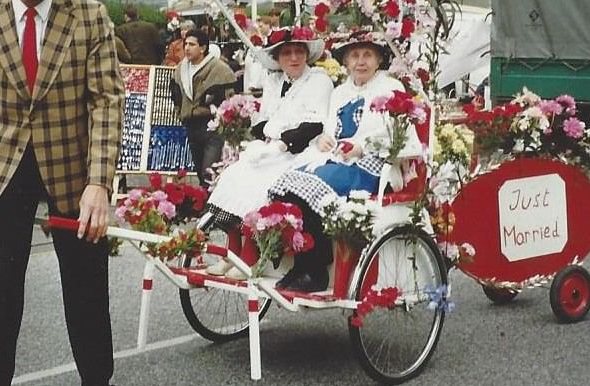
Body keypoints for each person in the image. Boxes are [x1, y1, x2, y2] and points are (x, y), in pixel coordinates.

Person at [0, 0, 125, 386]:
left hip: (72, 168)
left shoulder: (90, 16)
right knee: (0, 288)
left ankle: (98, 383)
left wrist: (99, 182)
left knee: (86, 286)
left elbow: (107, 101)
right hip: (3, 166)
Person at [268, 31, 415, 292]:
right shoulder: (340, 92)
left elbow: (397, 135)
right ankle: (302, 263)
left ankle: (317, 270)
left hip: (374, 165)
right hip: (338, 158)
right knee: (287, 185)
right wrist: (324, 139)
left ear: (379, 59)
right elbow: (330, 130)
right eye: (355, 56)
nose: (361, 62)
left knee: (313, 185)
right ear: (346, 62)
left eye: (367, 55)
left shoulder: (391, 88)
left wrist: (361, 147)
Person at [205, 27, 333, 277]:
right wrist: (268, 139)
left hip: (303, 150)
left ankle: (250, 258)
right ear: (277, 58)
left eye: (299, 52)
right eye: (287, 53)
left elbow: (314, 124)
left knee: (262, 188)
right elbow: (261, 120)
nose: (294, 58)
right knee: (235, 176)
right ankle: (231, 254)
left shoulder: (318, 79)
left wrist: (282, 142)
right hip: (272, 148)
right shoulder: (275, 80)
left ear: (307, 55)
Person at [170, 28, 236, 186]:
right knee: (200, 170)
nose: (187, 48)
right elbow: (175, 95)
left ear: (203, 48)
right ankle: (204, 204)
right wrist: (180, 113)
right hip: (191, 125)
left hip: (211, 125)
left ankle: (210, 206)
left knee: (209, 171)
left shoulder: (220, 69)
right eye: (186, 44)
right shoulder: (180, 70)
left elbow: (230, 99)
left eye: (192, 44)